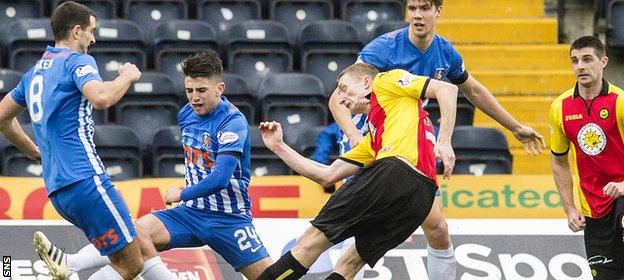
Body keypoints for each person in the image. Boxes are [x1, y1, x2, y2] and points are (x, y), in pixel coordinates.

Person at [327, 0, 546, 278]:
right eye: (413, 8)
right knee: (356, 234)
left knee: (438, 229)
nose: (417, 15)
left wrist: (515, 127)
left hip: (409, 146)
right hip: (368, 139)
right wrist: (354, 135)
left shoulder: (445, 53)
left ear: (438, 11)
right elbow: (338, 98)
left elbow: (474, 91)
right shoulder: (383, 49)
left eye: (425, 8)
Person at [36, 50, 274, 280]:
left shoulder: (233, 122)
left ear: (220, 88)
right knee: (133, 235)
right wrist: (187, 198)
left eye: (201, 90)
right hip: (190, 213)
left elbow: (221, 177)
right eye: (189, 90)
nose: (194, 97)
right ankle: (68, 263)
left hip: (229, 219)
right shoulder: (186, 115)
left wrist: (182, 193)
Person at [0, 2, 177, 280]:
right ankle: (69, 266)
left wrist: (33, 151)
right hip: (86, 180)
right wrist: (128, 76)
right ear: (77, 31)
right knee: (131, 264)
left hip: (58, 190)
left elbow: (2, 118)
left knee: (139, 242)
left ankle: (68, 264)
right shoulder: (76, 61)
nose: (93, 39)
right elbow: (102, 97)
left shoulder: (33, 73)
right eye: (91, 31)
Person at [255, 63, 458, 280]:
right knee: (349, 263)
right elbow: (327, 175)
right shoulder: (378, 137)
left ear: (366, 82)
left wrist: (444, 140)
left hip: (394, 171)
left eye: (343, 88)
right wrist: (279, 146)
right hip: (421, 200)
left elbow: (447, 89)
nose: (341, 98)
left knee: (308, 243)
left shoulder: (386, 81)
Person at [549, 35, 624, 280]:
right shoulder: (560, 107)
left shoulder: (620, 102)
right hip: (593, 207)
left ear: (603, 62)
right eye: (575, 60)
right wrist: (569, 207)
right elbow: (559, 160)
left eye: (587, 59)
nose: (580, 66)